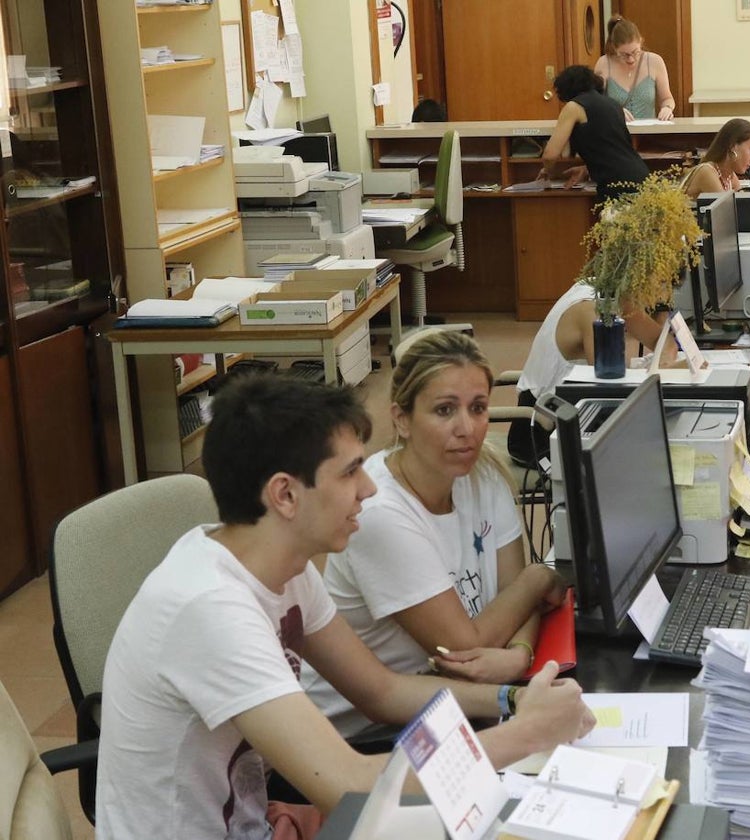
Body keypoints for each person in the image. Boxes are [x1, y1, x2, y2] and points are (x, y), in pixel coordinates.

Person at [95, 375, 593, 840]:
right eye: (351, 471)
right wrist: (526, 735)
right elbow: (350, 784)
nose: (369, 488)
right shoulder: (211, 609)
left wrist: (511, 702)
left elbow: (381, 690)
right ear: (285, 494)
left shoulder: (283, 567)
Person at [301, 331, 566, 738]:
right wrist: (539, 576)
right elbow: (465, 647)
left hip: (458, 704)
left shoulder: (481, 471)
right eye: (445, 410)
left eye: (478, 408)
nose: (467, 429)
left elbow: (517, 602)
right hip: (372, 733)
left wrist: (518, 654)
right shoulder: (379, 512)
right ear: (402, 419)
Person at [506, 282, 675, 469]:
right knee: (634, 464)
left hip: (568, 418)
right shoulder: (591, 310)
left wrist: (662, 316)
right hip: (537, 435)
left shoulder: (615, 294)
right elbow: (611, 388)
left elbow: (663, 341)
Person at [540, 65, 650, 205]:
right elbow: (612, 149)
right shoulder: (613, 104)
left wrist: (547, 171)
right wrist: (586, 170)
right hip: (641, 177)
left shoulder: (574, 106)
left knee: (613, 226)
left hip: (617, 185)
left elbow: (550, 155)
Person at [593, 15, 676, 122]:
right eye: (624, 55)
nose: (631, 59)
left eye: (635, 52)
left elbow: (667, 98)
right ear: (614, 48)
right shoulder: (604, 63)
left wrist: (667, 108)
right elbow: (595, 101)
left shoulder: (655, 62)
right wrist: (614, 110)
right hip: (615, 132)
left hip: (648, 133)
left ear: (641, 42)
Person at [680, 118, 750, 198]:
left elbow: (743, 205)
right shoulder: (707, 172)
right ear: (732, 146)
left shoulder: (730, 176)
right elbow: (726, 210)